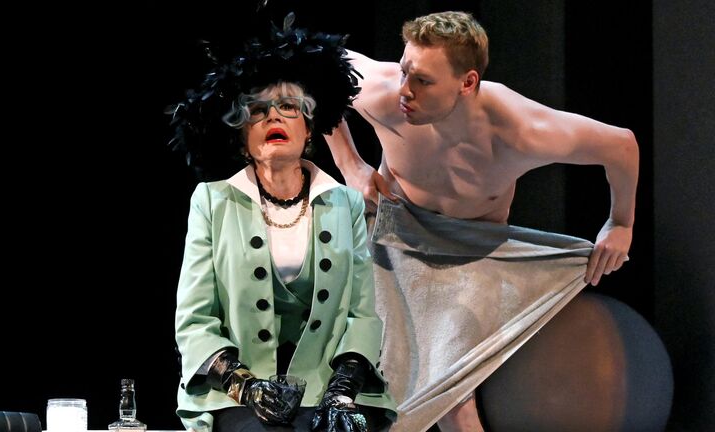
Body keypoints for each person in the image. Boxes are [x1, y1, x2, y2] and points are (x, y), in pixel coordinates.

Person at [324, 10, 638, 432]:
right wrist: (351, 164)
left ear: (468, 82)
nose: (406, 90)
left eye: (423, 81)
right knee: (367, 382)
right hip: (394, 233)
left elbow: (621, 146)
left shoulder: (522, 130)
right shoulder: (385, 93)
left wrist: (621, 223)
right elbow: (312, 70)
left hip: (472, 253)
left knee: (451, 397)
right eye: (404, 71)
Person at [168, 14, 397, 432]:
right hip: (237, 396)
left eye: (289, 108)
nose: (274, 117)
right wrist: (247, 387)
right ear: (242, 138)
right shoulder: (213, 201)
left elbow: (362, 315)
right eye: (258, 111)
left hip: (326, 389)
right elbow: (194, 320)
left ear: (309, 131)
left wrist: (341, 392)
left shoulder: (344, 203)